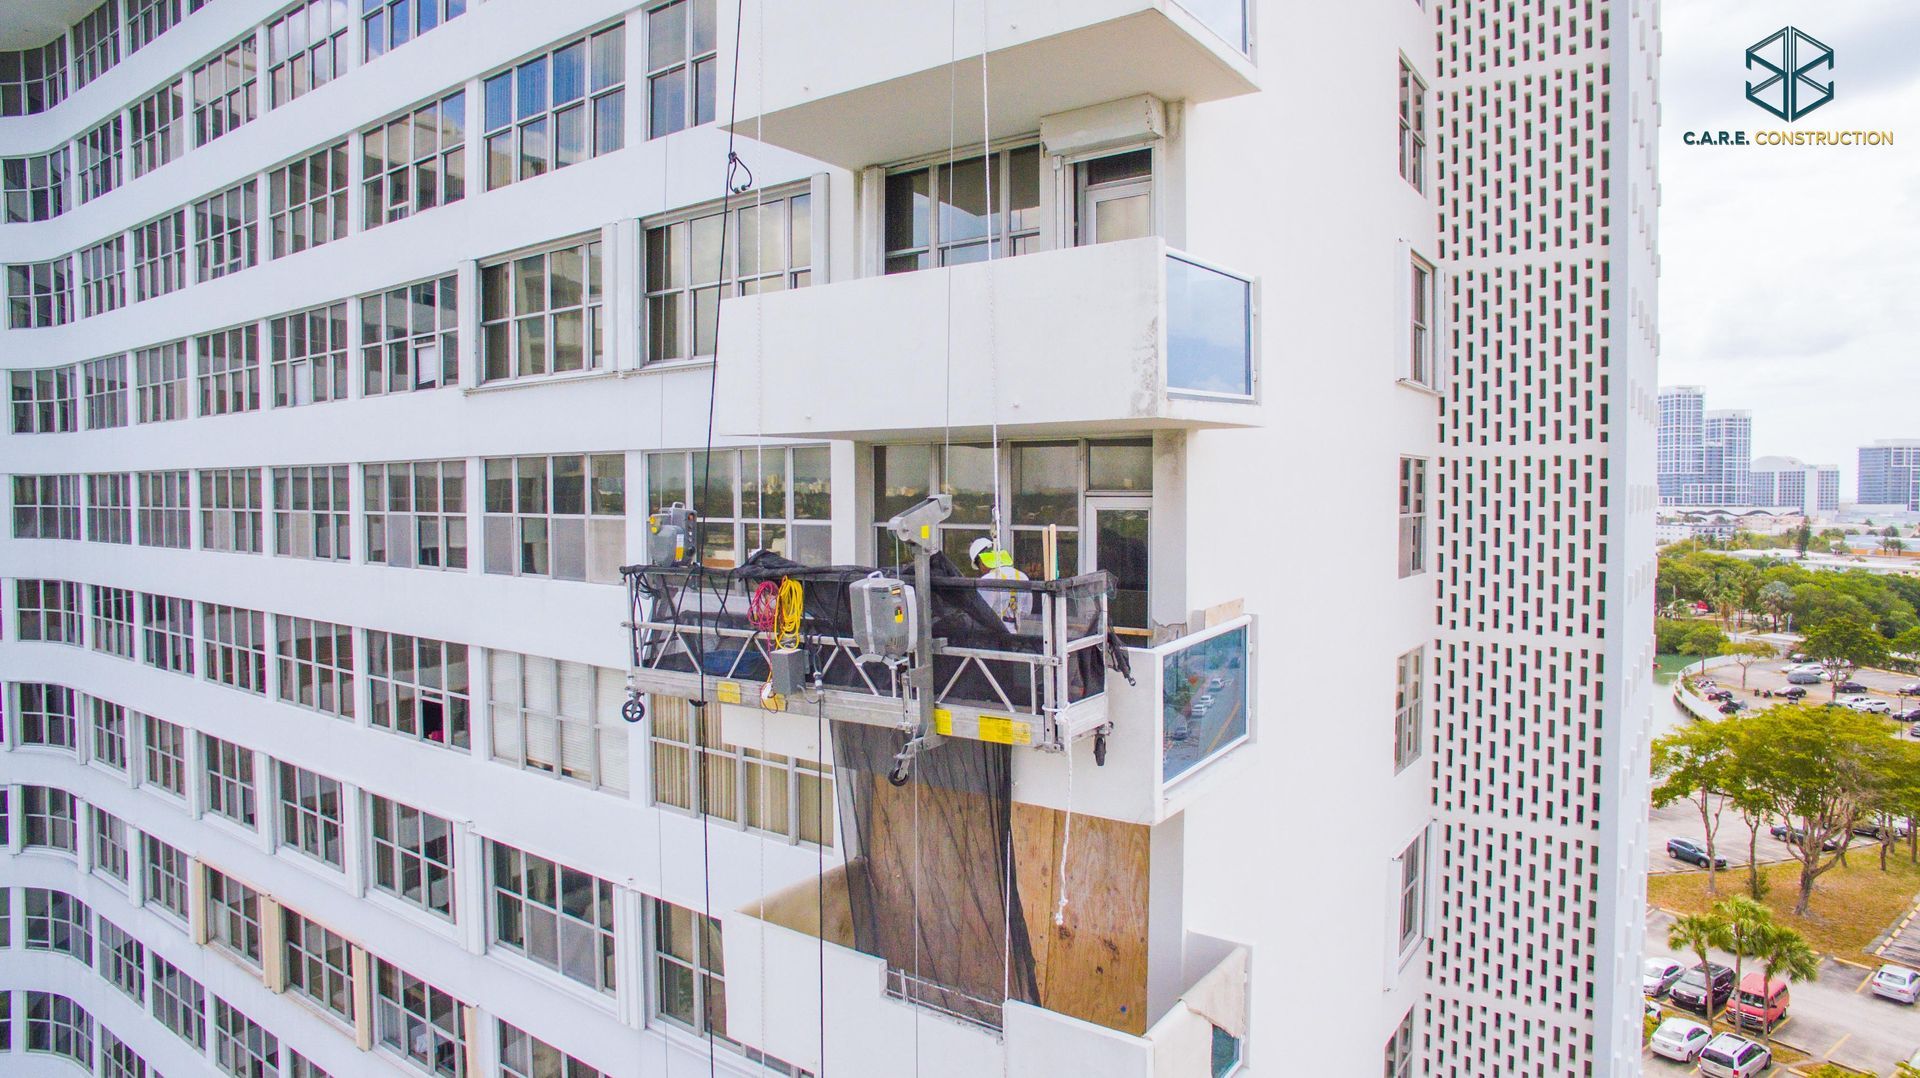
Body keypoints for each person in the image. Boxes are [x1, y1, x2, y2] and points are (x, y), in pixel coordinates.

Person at [969, 537, 1032, 629]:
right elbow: (1026, 611)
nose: (981, 570)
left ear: (982, 562)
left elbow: (981, 612)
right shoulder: (1022, 576)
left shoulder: (987, 579)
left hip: (993, 633)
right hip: (1015, 632)